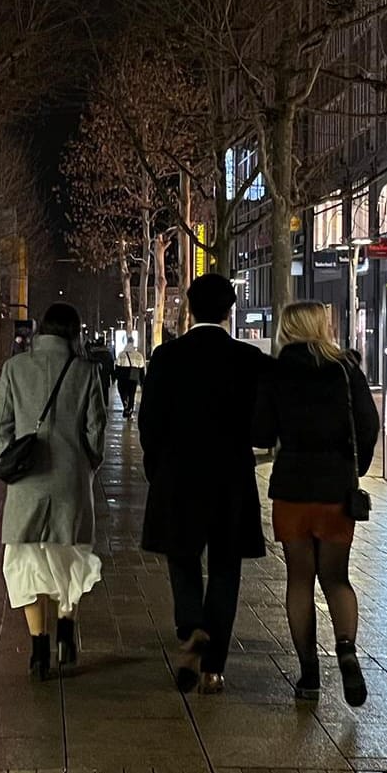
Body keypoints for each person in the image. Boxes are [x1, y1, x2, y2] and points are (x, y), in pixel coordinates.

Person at [140, 274, 271, 695]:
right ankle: (214, 669)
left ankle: (191, 624)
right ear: (229, 311)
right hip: (230, 477)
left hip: (178, 476)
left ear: (189, 309)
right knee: (225, 568)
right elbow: (263, 430)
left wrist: (156, 466)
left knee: (181, 557)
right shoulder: (250, 360)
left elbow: (150, 424)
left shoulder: (166, 357)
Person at [252, 301, 379, 706]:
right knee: (337, 578)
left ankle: (308, 674)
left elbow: (260, 431)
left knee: (300, 579)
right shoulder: (345, 370)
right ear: (322, 326)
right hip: (336, 487)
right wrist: (355, 466)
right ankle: (346, 650)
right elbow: (368, 423)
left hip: (291, 486)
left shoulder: (274, 372)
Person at [0, 302, 107, 680]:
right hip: (70, 482)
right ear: (74, 332)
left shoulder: (14, 369)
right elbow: (95, 432)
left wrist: (14, 463)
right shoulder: (87, 372)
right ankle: (66, 632)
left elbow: (3, 431)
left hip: (27, 483)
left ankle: (38, 651)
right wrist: (86, 464)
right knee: (68, 560)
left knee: (28, 564)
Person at [115, 344, 147, 417]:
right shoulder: (139, 355)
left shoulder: (121, 354)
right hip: (133, 376)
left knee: (122, 391)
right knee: (132, 394)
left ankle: (125, 403)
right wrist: (142, 381)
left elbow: (117, 366)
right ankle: (130, 409)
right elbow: (142, 368)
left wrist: (116, 376)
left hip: (123, 376)